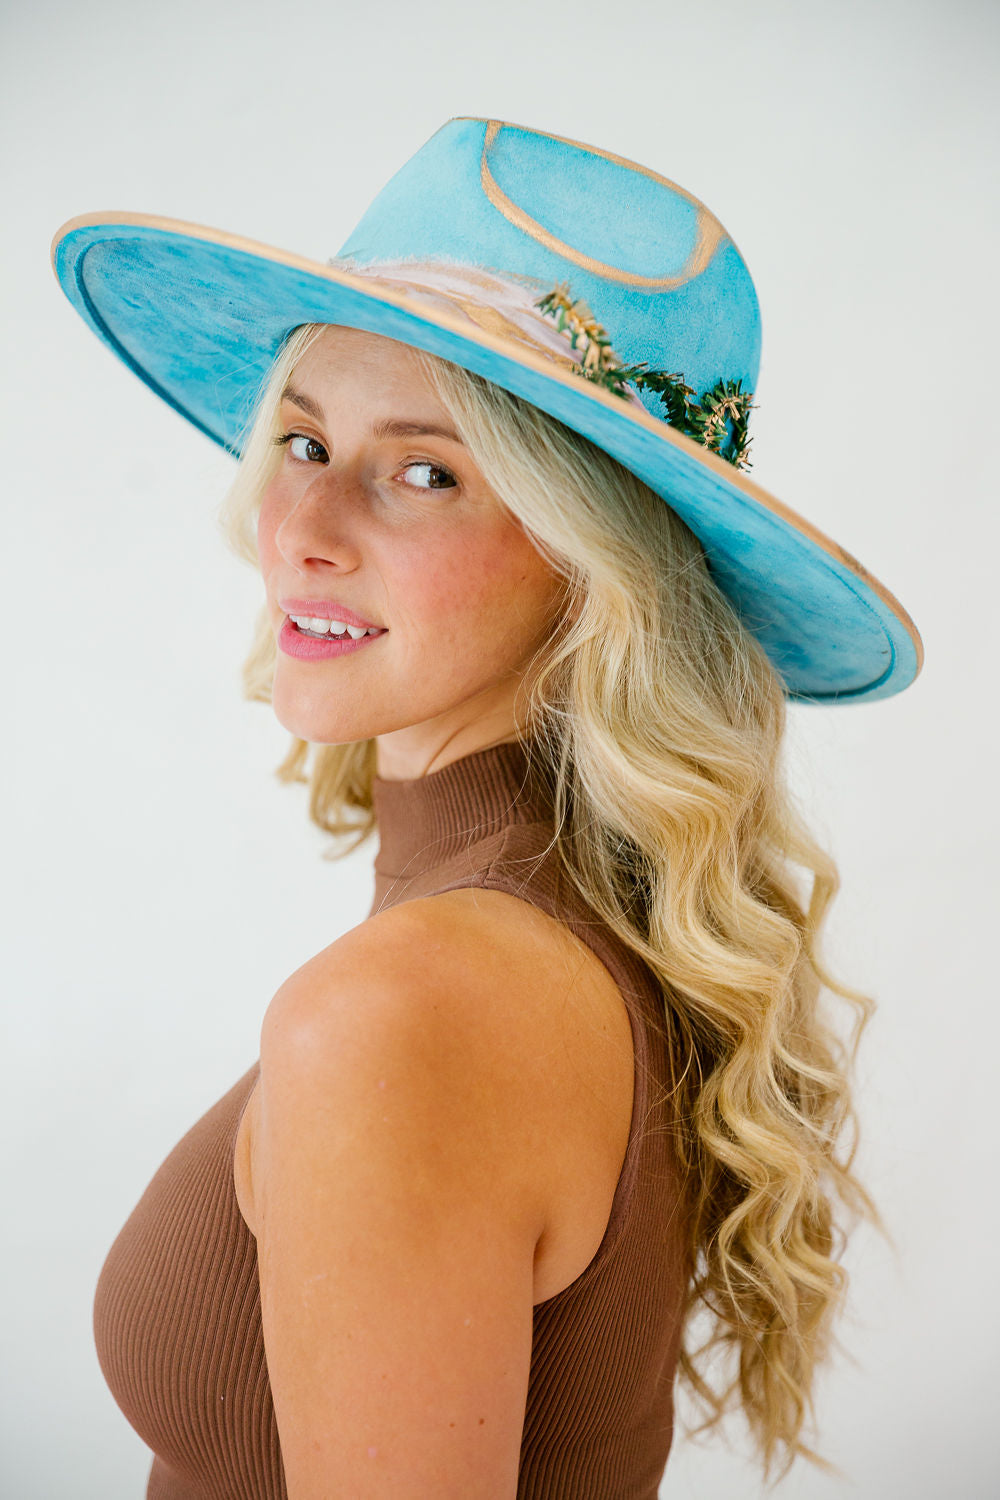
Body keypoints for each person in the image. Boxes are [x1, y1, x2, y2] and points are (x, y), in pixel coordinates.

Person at [51, 117, 923, 1499]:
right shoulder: (575, 923)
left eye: (425, 471)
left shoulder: (409, 1012)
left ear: (595, 566)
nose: (305, 529)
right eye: (302, 440)